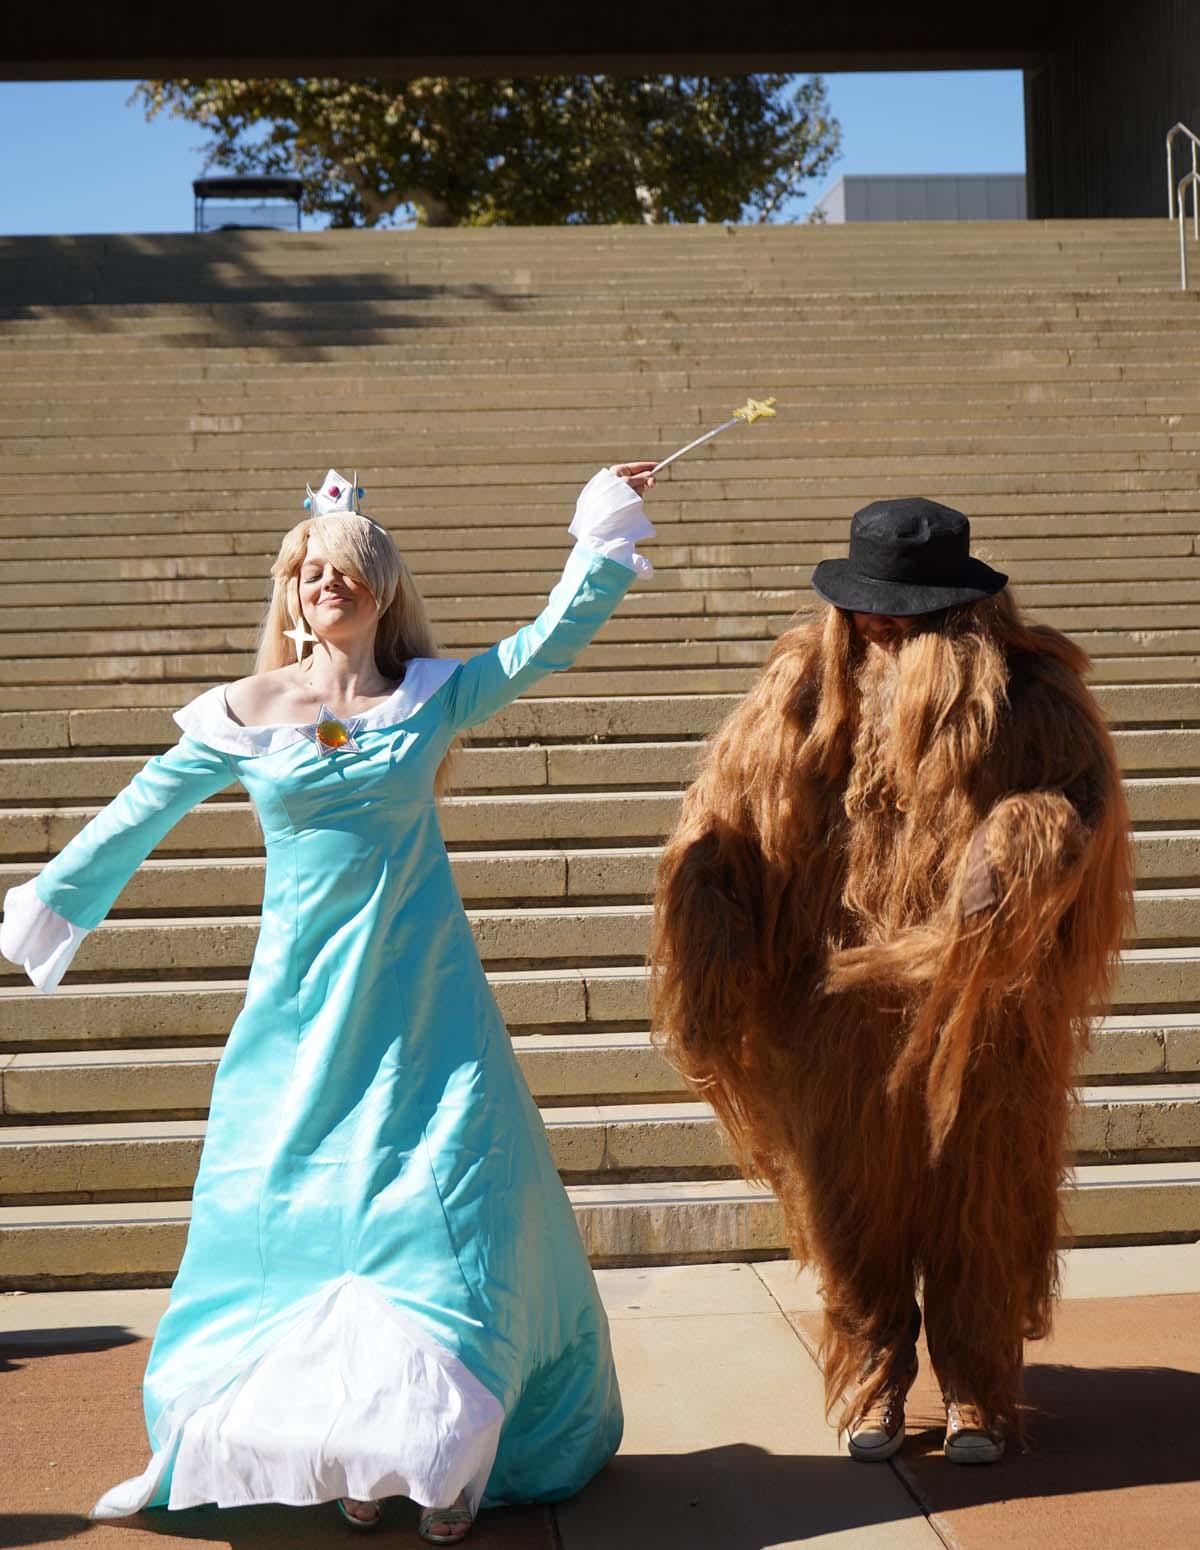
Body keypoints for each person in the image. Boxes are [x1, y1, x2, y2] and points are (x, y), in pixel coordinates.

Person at [1, 461, 657, 1541]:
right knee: (300, 1221)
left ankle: (442, 1451)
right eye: (309, 571)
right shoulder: (247, 710)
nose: (326, 584)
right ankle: (356, 1443)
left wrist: (599, 534)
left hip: (425, 1004)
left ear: (382, 586)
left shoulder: (435, 692)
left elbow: (543, 645)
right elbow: (140, 808)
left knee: (439, 1217)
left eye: (346, 570)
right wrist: (55, 900)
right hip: (301, 1011)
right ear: (289, 591)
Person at [651, 497, 1132, 1464]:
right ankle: (874, 1372)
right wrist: (709, 901)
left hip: (984, 1011)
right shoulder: (801, 691)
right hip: (834, 1008)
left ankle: (976, 1385)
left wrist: (1021, 842)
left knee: (982, 1201)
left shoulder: (1030, 695)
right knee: (849, 1207)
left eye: (904, 612)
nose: (879, 624)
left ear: (961, 611)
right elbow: (729, 815)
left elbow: (1084, 806)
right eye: (866, 605)